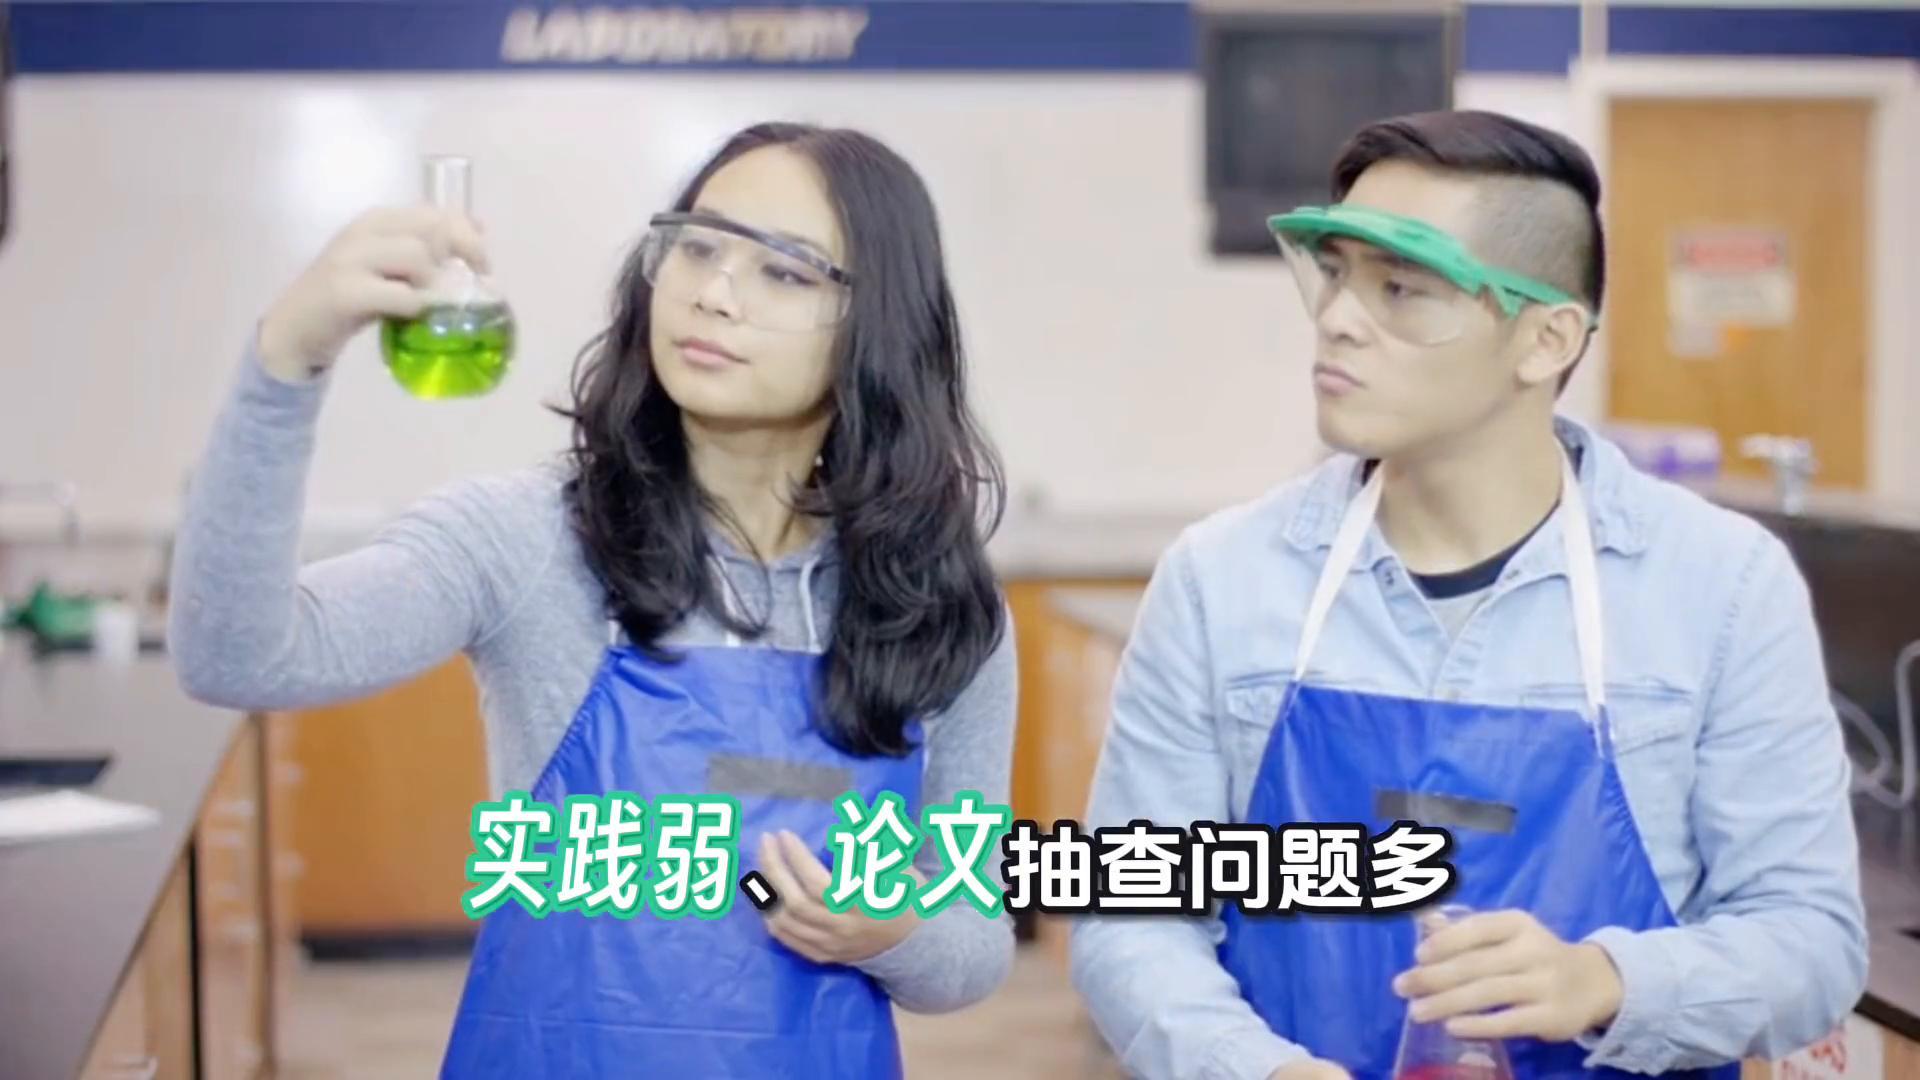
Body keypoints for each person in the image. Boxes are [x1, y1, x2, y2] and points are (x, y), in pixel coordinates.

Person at [167, 121, 1018, 1077]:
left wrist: (891, 933)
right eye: (698, 246)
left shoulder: (933, 605)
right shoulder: (530, 539)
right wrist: (286, 360)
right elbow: (236, 655)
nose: (713, 292)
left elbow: (973, 939)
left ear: (881, 326)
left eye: (784, 271)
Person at [1070, 109, 1866, 1080]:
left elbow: (1811, 943)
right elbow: (1131, 918)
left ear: (1545, 340)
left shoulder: (1719, 587)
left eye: (1401, 288)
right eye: (1336, 275)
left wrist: (1610, 981)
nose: (1338, 318)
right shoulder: (1222, 579)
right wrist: (1257, 1069)